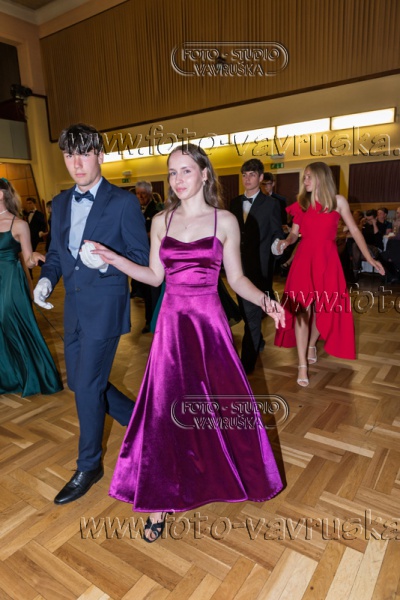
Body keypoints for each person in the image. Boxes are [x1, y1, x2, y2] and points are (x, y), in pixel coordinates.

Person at [88, 144, 285, 542]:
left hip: (210, 327)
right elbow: (154, 276)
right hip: (172, 328)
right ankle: (159, 497)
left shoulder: (224, 220)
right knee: (163, 410)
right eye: (172, 173)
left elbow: (236, 279)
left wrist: (268, 302)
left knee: (218, 405)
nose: (177, 180)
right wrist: (115, 259)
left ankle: (225, 473)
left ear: (205, 174)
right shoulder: (161, 221)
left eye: (186, 171)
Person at [33, 123, 149, 505]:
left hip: (105, 308)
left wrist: (105, 262)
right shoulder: (60, 202)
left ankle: (89, 465)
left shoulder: (123, 203)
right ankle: (143, 421)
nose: (77, 163)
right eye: (70, 155)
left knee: (86, 386)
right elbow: (55, 255)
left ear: (100, 155)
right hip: (74, 309)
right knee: (83, 384)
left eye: (84, 154)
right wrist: (46, 280)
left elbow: (141, 258)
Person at [274, 162, 384, 386]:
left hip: (327, 261)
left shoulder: (337, 201)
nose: (305, 181)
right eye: (304, 177)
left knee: (323, 307)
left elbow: (355, 231)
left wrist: (370, 258)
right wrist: (286, 241)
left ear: (321, 177)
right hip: (304, 261)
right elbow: (294, 234)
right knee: (301, 310)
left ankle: (312, 344)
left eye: (309, 177)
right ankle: (302, 364)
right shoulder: (302, 204)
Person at [0, 177, 62, 397]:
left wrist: (34, 257)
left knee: (8, 319)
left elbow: (26, 259)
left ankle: (34, 375)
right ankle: (9, 377)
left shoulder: (19, 224)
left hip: (10, 279)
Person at [230, 159, 283, 373]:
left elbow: (277, 232)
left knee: (251, 316)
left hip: (259, 268)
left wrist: (278, 246)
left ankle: (246, 366)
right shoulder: (234, 203)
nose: (247, 178)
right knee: (247, 311)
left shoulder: (271, 204)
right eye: (244, 174)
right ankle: (257, 339)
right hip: (236, 268)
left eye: (252, 174)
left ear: (261, 177)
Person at [133, 180, 163, 333]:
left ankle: (156, 321)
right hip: (142, 256)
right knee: (146, 292)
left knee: (155, 291)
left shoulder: (157, 210)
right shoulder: (136, 209)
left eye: (143, 193)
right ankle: (149, 321)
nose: (140, 196)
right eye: (138, 194)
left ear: (150, 193)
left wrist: (142, 236)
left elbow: (159, 232)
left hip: (155, 255)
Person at [351, 209, 383, 281]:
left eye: (370, 219)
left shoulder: (380, 225)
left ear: (375, 218)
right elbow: (359, 237)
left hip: (375, 249)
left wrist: (374, 224)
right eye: (367, 219)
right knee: (355, 244)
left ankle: (355, 271)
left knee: (358, 248)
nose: (368, 221)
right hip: (365, 249)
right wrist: (361, 224)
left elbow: (377, 238)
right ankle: (355, 272)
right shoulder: (365, 225)